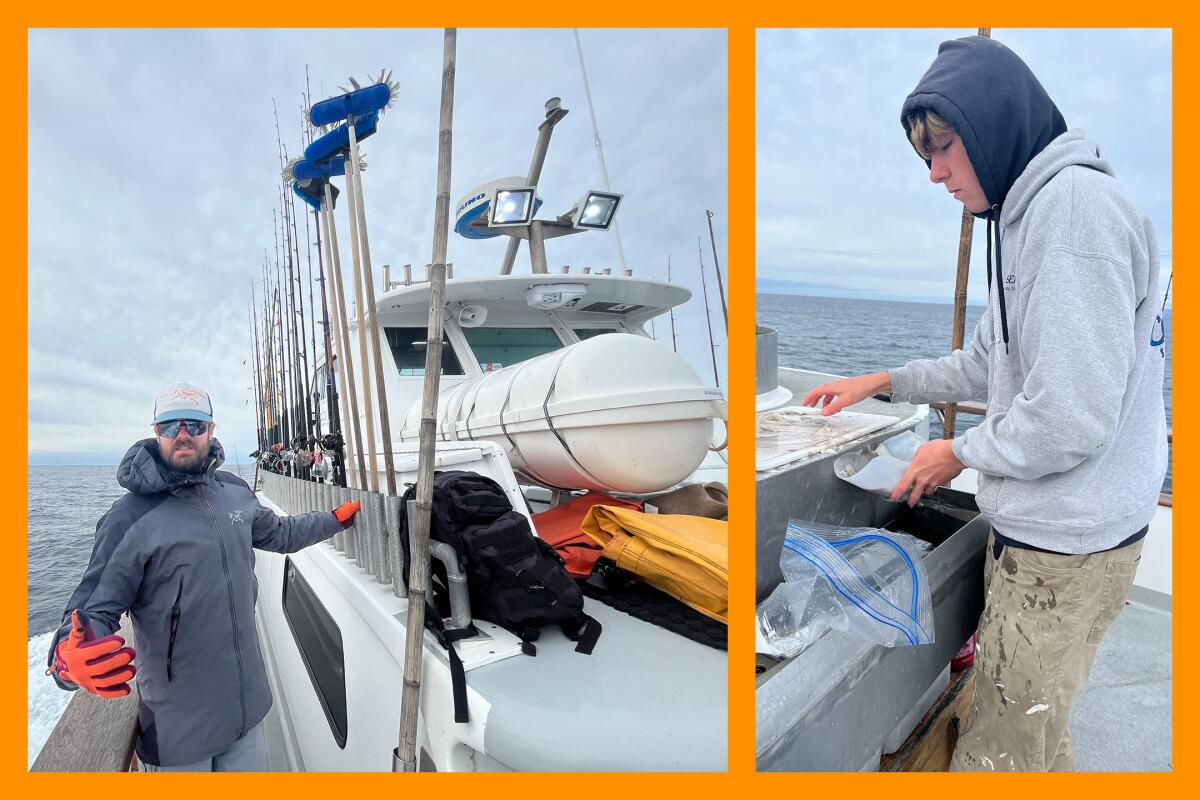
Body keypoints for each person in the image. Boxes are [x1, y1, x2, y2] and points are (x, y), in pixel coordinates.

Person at [803, 36, 1167, 771]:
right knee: (1034, 730)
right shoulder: (1025, 217)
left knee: (1002, 753)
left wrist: (957, 452)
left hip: (1066, 548)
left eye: (944, 146)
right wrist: (880, 381)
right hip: (1060, 528)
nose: (934, 172)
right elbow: (983, 363)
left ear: (995, 123)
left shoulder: (1070, 218)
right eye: (923, 155)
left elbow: (1068, 417)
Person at [46, 382, 361, 772]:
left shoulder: (235, 491)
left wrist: (332, 521)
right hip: (180, 736)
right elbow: (92, 610)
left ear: (211, 430)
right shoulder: (127, 518)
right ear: (155, 431)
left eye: (194, 425)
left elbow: (280, 534)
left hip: (248, 715)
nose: (183, 435)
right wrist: (65, 657)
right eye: (170, 426)